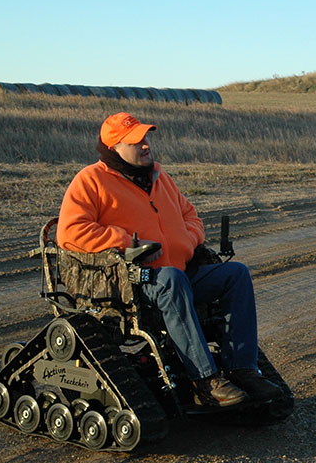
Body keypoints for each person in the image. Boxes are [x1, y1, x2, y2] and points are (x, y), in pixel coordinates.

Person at [57, 111, 282, 407]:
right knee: (171, 281)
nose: (146, 145)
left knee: (235, 275)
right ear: (114, 149)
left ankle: (243, 369)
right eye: (136, 141)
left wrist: (186, 241)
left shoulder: (160, 178)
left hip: (179, 272)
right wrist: (127, 242)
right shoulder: (91, 180)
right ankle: (205, 381)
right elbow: (70, 232)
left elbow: (192, 217)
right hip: (133, 284)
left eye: (146, 137)